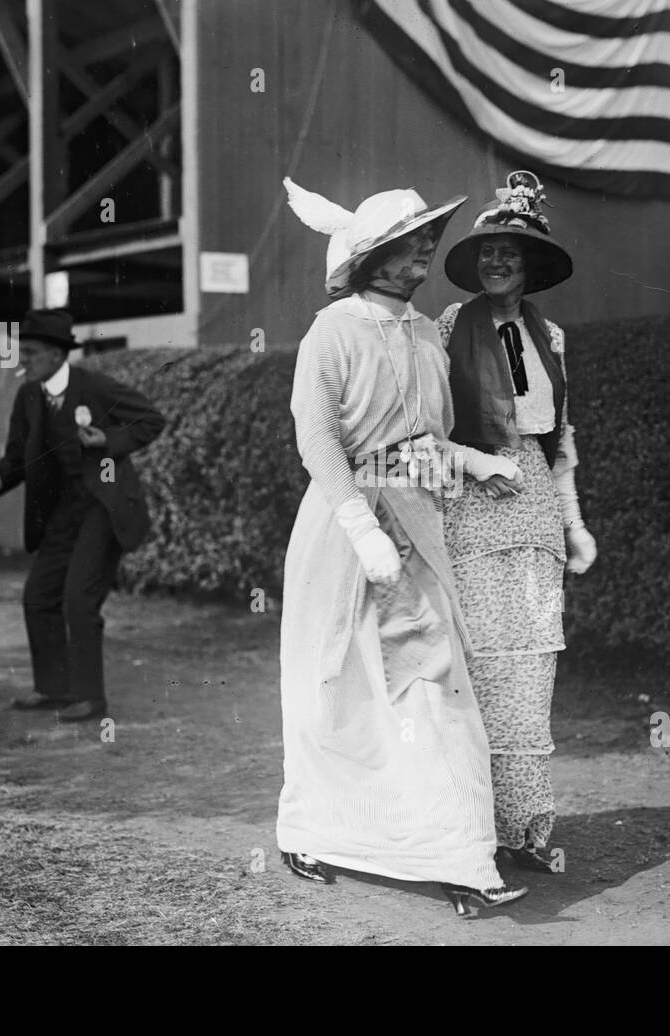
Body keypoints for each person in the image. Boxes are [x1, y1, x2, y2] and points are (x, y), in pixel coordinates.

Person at [277, 176, 529, 916]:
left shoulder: (426, 334)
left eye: (428, 237)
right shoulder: (332, 331)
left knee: (429, 681)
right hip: (344, 528)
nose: (426, 248)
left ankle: (454, 852)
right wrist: (359, 526)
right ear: (370, 256)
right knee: (336, 683)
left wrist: (473, 462)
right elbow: (317, 437)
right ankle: (314, 831)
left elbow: (427, 437)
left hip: (416, 520)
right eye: (409, 240)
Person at [436, 171, 597, 871]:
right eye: (490, 252)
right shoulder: (448, 326)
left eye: (513, 252)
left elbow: (561, 442)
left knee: (533, 663)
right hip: (472, 503)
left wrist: (575, 523)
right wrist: (473, 465)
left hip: (533, 502)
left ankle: (525, 822)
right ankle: (473, 822)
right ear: (476, 262)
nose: (500, 261)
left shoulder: (551, 335)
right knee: (480, 661)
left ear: (530, 266)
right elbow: (428, 428)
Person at [0, 309, 165, 722]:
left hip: (102, 506)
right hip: (61, 512)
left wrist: (109, 439)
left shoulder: (93, 386)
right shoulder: (27, 396)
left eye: (28, 352)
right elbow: (16, 455)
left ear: (54, 354)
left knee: (78, 599)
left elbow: (151, 420)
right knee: (38, 597)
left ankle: (89, 697)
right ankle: (52, 688)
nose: (21, 360)